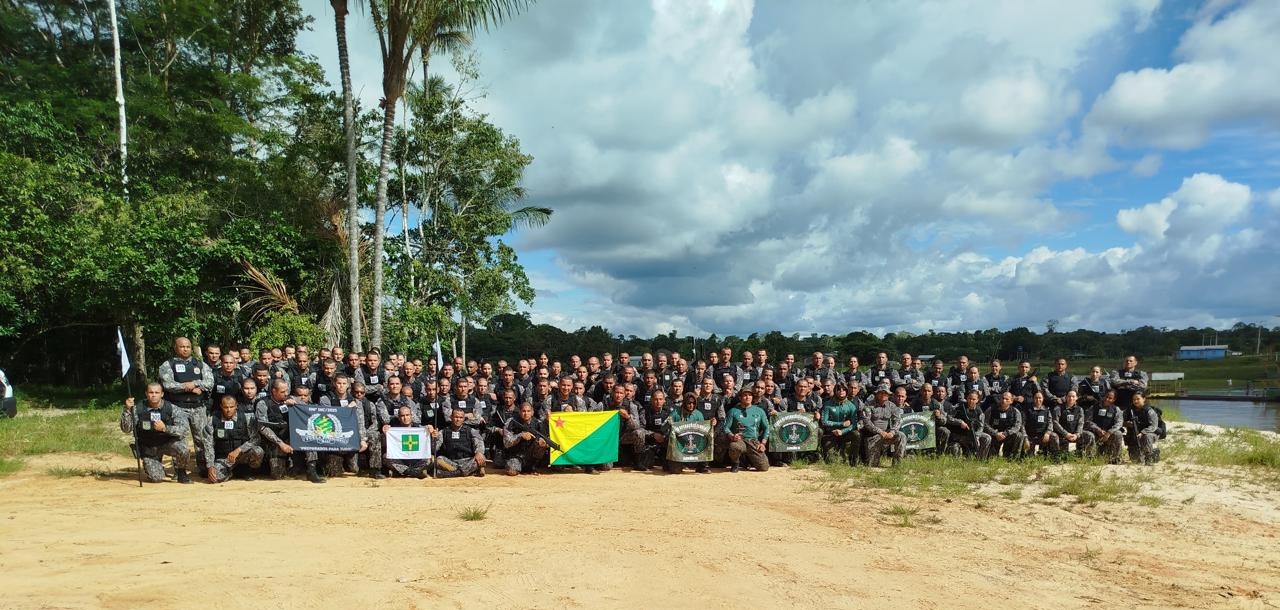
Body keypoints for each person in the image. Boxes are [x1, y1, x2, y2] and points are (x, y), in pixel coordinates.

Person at [158, 337, 213, 471]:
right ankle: (180, 470)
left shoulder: (200, 365)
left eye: (188, 347)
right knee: (179, 438)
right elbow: (168, 384)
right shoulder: (168, 365)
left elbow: (209, 382)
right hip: (177, 407)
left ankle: (203, 469)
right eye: (182, 347)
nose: (185, 349)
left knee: (201, 439)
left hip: (198, 407)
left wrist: (195, 383)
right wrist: (186, 387)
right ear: (176, 348)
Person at [120, 383, 193, 483]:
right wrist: (127, 410)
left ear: (162, 394)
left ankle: (181, 472)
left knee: (183, 448)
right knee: (156, 478)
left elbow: (184, 430)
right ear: (146, 393)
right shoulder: (138, 409)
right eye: (151, 392)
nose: (153, 395)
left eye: (156, 392)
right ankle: (156, 464)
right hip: (149, 446)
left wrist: (165, 428)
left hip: (167, 443)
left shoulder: (171, 409)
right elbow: (126, 429)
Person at [256, 379, 324, 483]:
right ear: (274, 391)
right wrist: (281, 443)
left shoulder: (291, 399)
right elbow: (263, 427)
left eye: (287, 391)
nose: (286, 394)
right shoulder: (263, 403)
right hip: (275, 440)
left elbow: (308, 412)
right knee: (278, 475)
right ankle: (292, 466)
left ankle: (311, 470)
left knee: (309, 438)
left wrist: (296, 404)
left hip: (293, 436)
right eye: (282, 392)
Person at [202, 395, 264, 483]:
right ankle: (232, 472)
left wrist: (239, 450)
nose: (228, 410)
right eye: (226, 407)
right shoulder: (213, 420)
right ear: (221, 406)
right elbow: (208, 444)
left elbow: (256, 439)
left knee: (258, 451)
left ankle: (248, 471)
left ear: (236, 406)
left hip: (242, 456)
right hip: (224, 459)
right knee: (215, 478)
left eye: (231, 407)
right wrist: (210, 466)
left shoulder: (246, 418)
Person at [722, 390, 770, 472]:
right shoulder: (733, 411)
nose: (748, 397)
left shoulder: (759, 411)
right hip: (739, 440)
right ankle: (735, 463)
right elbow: (726, 428)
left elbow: (766, 428)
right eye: (745, 395)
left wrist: (763, 443)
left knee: (764, 467)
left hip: (753, 441)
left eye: (750, 395)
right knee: (734, 447)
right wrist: (732, 436)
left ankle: (747, 460)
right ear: (740, 397)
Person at [432, 408, 487, 478]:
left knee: (481, 459)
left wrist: (479, 452)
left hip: (467, 461)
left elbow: (479, 443)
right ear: (451, 417)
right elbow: (434, 449)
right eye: (456, 417)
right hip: (451, 462)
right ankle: (470, 471)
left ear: (464, 419)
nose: (458, 419)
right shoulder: (443, 432)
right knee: (439, 459)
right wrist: (434, 439)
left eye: (461, 417)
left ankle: (448, 474)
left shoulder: (471, 431)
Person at [861, 388, 905, 467]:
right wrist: (880, 432)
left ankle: (897, 464)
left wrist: (892, 432)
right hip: (872, 435)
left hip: (886, 434)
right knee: (872, 465)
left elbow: (898, 420)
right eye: (881, 393)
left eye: (886, 393)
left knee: (901, 436)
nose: (883, 395)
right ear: (876, 394)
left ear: (888, 395)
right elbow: (867, 422)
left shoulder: (891, 405)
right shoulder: (868, 405)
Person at [501, 402, 548, 476]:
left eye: (528, 411)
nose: (526, 414)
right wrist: (520, 436)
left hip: (532, 457)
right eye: (523, 411)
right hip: (516, 455)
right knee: (511, 470)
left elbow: (546, 439)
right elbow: (506, 443)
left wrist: (543, 442)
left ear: (532, 412)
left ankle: (533, 467)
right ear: (519, 412)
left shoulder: (538, 423)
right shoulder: (512, 422)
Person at [668, 393, 710, 474]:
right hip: (679, 444)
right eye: (689, 403)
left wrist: (712, 424)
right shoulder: (676, 413)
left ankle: (702, 466)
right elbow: (663, 429)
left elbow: (704, 431)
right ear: (684, 403)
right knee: (675, 471)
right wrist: (668, 423)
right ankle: (671, 463)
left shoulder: (698, 414)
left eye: (694, 403)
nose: (692, 405)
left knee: (706, 440)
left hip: (694, 442)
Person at [819, 383, 860, 466]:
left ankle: (854, 461)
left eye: (844, 389)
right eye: (839, 389)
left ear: (846, 391)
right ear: (835, 391)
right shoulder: (827, 404)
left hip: (845, 434)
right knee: (831, 462)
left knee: (856, 434)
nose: (841, 391)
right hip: (830, 434)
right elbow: (824, 421)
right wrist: (841, 424)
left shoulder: (851, 405)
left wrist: (843, 431)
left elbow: (854, 424)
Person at [386, 405, 430, 479]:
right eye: (402, 416)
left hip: (416, 460)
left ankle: (401, 472)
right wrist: (385, 433)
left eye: (407, 415)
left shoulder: (420, 428)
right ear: (399, 418)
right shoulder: (394, 430)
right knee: (386, 457)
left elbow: (428, 444)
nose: (405, 418)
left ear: (411, 416)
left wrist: (431, 432)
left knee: (430, 458)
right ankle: (415, 472)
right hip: (401, 460)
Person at [949, 390, 991, 459]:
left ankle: (981, 459)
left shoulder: (979, 411)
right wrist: (960, 422)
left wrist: (976, 437)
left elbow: (981, 426)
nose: (971, 401)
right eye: (970, 398)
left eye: (974, 399)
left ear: (977, 400)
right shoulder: (959, 407)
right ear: (966, 398)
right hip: (959, 435)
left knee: (987, 437)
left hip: (972, 434)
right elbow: (949, 418)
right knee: (955, 449)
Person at [983, 392, 1025, 461]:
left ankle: (1011, 458)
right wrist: (995, 433)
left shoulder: (1015, 411)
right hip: (995, 436)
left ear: (1011, 401)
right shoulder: (991, 410)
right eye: (1002, 398)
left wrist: (1006, 433)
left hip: (1008, 435)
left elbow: (1017, 426)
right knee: (991, 460)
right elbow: (984, 424)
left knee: (1019, 435)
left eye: (1007, 399)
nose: (1004, 401)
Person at [1086, 390, 1125, 464]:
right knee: (1088, 434)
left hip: (1108, 434)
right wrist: (1098, 430)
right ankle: (1091, 457)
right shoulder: (1094, 407)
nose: (1107, 399)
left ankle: (1116, 458)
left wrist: (1109, 432)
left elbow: (1119, 423)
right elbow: (1088, 421)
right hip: (1096, 433)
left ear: (1114, 399)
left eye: (1110, 398)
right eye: (1106, 397)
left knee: (1118, 434)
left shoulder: (1116, 409)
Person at [639, 389, 673, 472]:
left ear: (664, 400)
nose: (658, 402)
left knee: (669, 468)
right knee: (646, 465)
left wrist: (665, 436)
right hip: (650, 441)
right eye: (656, 399)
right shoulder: (645, 412)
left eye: (660, 399)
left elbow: (674, 428)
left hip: (665, 442)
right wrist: (653, 434)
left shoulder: (669, 412)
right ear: (651, 400)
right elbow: (640, 429)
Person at [1052, 390, 1092, 458]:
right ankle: (1057, 457)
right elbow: (1055, 422)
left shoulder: (1080, 409)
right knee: (1066, 456)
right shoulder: (1058, 408)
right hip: (1062, 435)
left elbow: (1081, 423)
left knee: (1089, 435)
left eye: (1073, 396)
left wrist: (1077, 434)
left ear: (1076, 398)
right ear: (1066, 397)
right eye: (1069, 396)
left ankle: (1088, 456)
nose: (1071, 398)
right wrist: (1066, 434)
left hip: (1075, 434)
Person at [1128, 393, 1161, 465]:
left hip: (1150, 434)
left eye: (1138, 399)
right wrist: (1127, 423)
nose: (1135, 401)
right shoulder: (1130, 410)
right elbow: (1121, 419)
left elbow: (1153, 426)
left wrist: (1143, 432)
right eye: (1134, 399)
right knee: (1136, 461)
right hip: (1135, 436)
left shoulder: (1149, 411)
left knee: (1147, 436)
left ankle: (1149, 457)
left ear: (1144, 399)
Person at [1023, 391, 1058, 459]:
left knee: (1054, 436)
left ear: (1043, 399)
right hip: (1031, 437)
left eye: (1040, 398)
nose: (1038, 400)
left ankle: (1055, 457)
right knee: (1029, 458)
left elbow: (1050, 423)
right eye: (1036, 398)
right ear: (1033, 399)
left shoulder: (1047, 410)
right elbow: (1022, 425)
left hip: (1043, 436)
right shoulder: (1027, 410)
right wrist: (1025, 438)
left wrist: (1048, 433)